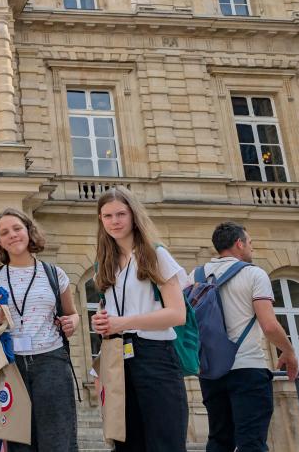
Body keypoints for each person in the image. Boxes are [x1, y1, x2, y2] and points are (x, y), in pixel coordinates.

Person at [90, 186, 189, 451]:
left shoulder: (154, 254)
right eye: (108, 216)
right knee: (126, 443)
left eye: (121, 214)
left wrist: (123, 322)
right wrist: (102, 322)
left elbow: (177, 314)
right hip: (118, 358)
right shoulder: (106, 262)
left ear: (133, 215)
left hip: (155, 355)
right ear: (101, 220)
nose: (115, 221)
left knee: (164, 442)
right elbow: (114, 312)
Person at [0, 208, 79, 452]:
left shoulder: (55, 274)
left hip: (51, 362)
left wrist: (73, 322)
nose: (12, 235)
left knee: (58, 441)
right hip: (11, 366)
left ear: (28, 231)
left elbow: (72, 313)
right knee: (19, 443)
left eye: (17, 228)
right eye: (4, 232)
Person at [195, 222, 299, 452]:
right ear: (239, 244)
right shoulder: (253, 274)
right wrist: (289, 351)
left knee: (219, 440)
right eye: (250, 243)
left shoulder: (196, 275)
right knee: (251, 442)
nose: (251, 248)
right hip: (247, 367)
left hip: (210, 370)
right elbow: (270, 326)